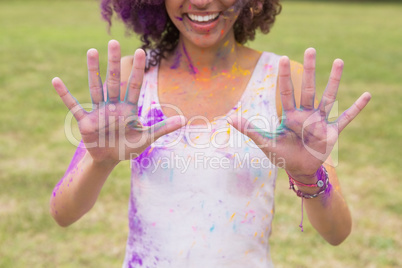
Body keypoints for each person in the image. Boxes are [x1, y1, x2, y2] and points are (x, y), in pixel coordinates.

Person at [50, 0, 371, 267]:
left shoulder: (285, 83)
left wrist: (308, 176)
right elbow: (63, 213)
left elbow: (337, 232)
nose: (202, 2)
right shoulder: (133, 80)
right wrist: (101, 163)